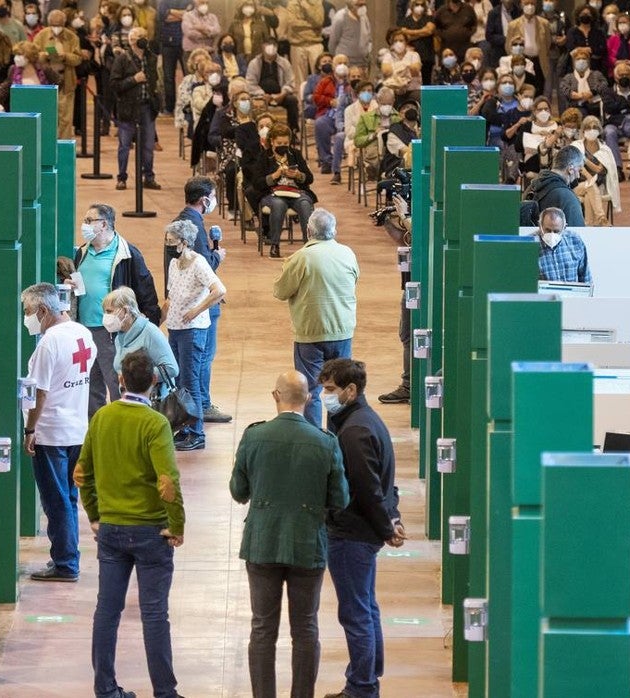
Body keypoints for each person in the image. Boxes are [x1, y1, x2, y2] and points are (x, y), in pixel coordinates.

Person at [231, 370, 350, 698]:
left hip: (261, 545)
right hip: (307, 545)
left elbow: (239, 491)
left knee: (262, 629)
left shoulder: (254, 437)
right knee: (305, 629)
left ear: (275, 396)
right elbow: (339, 499)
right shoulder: (326, 443)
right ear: (309, 399)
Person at [75, 348, 186, 698]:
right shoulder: (156, 424)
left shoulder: (103, 418)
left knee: (107, 610)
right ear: (154, 381)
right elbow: (167, 480)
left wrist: (95, 515)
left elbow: (82, 473)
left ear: (120, 379)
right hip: (151, 531)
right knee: (155, 614)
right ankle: (164, 692)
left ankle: (105, 688)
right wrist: (176, 524)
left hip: (111, 530)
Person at [317, 358, 404, 698]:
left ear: (350, 390)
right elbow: (387, 485)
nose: (325, 396)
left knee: (355, 614)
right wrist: (391, 519)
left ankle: (363, 687)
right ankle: (366, 676)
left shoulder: (353, 432)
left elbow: (367, 489)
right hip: (365, 532)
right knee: (366, 606)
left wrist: (386, 526)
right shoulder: (365, 420)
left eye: (330, 390)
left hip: (351, 535)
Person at [20, 282, 95, 582]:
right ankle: (68, 556)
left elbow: (40, 392)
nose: (26, 318)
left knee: (56, 500)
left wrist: (30, 429)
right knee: (69, 496)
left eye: (28, 312)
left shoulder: (49, 343)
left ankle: (65, 563)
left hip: (50, 432)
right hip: (77, 428)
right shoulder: (83, 334)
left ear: (42, 310)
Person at [272, 209, 359, 428]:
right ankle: (336, 437)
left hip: (310, 333)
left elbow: (280, 291)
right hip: (342, 330)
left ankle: (313, 437)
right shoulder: (348, 253)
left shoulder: (301, 257)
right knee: (338, 387)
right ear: (334, 230)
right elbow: (354, 279)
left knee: (310, 390)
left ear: (308, 230)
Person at [74, 203, 162, 414]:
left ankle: (121, 424)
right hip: (84, 331)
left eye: (89, 221)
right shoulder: (82, 252)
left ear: (103, 224)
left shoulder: (128, 254)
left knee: (116, 382)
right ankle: (96, 428)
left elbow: (145, 288)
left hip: (111, 332)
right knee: (90, 386)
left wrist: (150, 321)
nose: (84, 225)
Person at [162, 219, 226, 452]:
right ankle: (185, 428)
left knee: (191, 382)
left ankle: (197, 432)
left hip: (193, 331)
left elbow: (219, 290)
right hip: (175, 329)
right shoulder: (174, 264)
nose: (168, 245)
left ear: (185, 242)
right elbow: (170, 298)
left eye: (171, 241)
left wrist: (196, 311)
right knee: (178, 383)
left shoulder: (198, 263)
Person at [173, 177, 230, 423]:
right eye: (213, 197)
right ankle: (201, 405)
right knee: (203, 357)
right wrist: (217, 256)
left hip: (182, 304)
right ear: (205, 199)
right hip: (199, 305)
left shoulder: (180, 221)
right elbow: (203, 266)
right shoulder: (192, 226)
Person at [110, 27, 161, 191]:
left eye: (145, 36)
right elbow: (114, 84)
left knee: (147, 146)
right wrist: (134, 79)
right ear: (131, 41)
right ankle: (122, 177)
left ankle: (149, 176)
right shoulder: (122, 59)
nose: (143, 39)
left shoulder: (151, 58)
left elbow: (155, 80)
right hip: (128, 109)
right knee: (125, 145)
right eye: (140, 37)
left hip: (147, 107)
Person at [257, 123, 317, 259]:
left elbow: (309, 178)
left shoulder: (295, 154)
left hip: (297, 192)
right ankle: (274, 245)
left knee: (305, 204)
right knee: (279, 205)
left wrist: (298, 175)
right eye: (279, 142)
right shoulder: (264, 157)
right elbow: (257, 183)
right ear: (272, 142)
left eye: (286, 142)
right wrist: (275, 176)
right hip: (272, 194)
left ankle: (310, 246)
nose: (283, 145)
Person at [102, 287, 178, 384]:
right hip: (131, 396)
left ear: (125, 311)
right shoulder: (119, 337)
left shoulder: (150, 332)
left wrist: (136, 378)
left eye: (109, 311)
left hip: (153, 396)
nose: (106, 316)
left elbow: (172, 369)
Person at [34, 9, 82, 138]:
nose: (57, 28)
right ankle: (48, 144)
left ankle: (64, 146)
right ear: (49, 23)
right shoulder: (41, 36)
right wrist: (45, 55)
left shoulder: (72, 37)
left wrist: (65, 56)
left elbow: (78, 59)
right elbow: (34, 56)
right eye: (54, 25)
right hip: (46, 82)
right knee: (48, 116)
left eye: (59, 25)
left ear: (64, 23)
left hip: (65, 81)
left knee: (65, 118)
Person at [246, 39, 299, 135]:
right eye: (268, 44)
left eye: (273, 44)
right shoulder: (254, 63)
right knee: (253, 104)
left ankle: (292, 131)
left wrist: (282, 94)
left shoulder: (284, 62)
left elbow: (290, 82)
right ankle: (256, 133)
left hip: (280, 95)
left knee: (292, 100)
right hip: (260, 96)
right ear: (263, 47)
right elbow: (250, 83)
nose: (271, 47)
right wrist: (262, 94)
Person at [572, 114, 619, 223]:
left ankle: (589, 226)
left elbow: (600, 170)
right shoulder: (576, 146)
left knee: (590, 194)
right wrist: (588, 175)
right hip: (576, 187)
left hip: (598, 187)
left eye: (595, 128)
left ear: (599, 130)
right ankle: (601, 218)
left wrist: (584, 160)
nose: (591, 130)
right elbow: (576, 168)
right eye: (588, 128)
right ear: (583, 130)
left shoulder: (604, 149)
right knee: (591, 185)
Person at [523, 145, 585, 226]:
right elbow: (578, 233)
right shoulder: (567, 197)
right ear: (570, 169)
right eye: (579, 171)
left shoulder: (532, 187)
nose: (578, 176)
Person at [535, 207, 591, 282]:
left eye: (556, 231)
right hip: (542, 293)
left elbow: (585, 278)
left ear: (564, 228)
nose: (552, 234)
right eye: (547, 230)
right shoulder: (529, 245)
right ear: (540, 226)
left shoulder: (575, 240)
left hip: (571, 293)